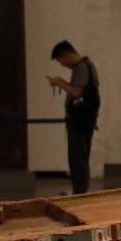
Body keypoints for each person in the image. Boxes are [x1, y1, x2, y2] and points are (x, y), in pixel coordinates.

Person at [47, 40, 100, 193]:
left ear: (66, 55)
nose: (62, 65)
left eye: (60, 60)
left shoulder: (82, 67)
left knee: (78, 159)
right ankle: (79, 191)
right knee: (80, 158)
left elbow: (77, 92)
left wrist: (59, 82)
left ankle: (79, 193)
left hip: (80, 121)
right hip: (83, 120)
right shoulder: (86, 65)